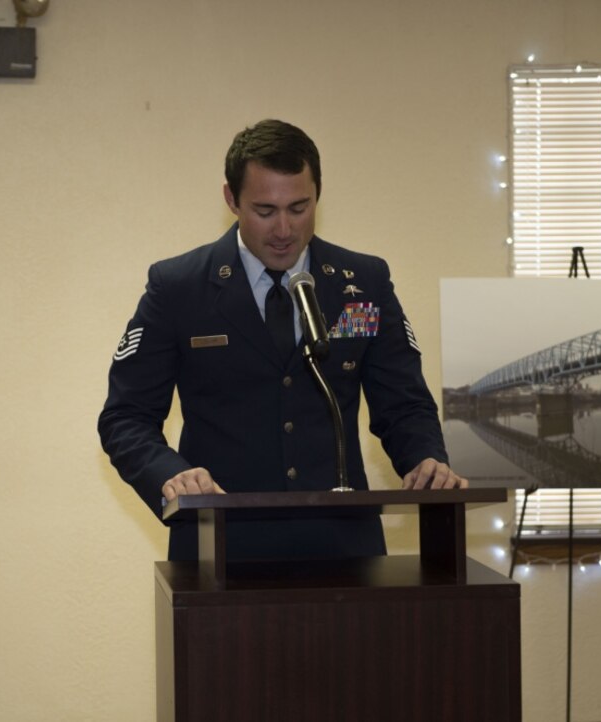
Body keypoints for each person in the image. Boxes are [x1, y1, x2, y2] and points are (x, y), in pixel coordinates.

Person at [98, 119, 466, 562]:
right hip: (221, 550)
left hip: (345, 552)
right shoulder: (178, 288)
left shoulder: (361, 285)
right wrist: (172, 476)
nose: (284, 230)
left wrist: (425, 460)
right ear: (231, 200)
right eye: (265, 210)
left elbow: (403, 403)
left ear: (318, 196)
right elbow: (126, 417)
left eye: (299, 207)